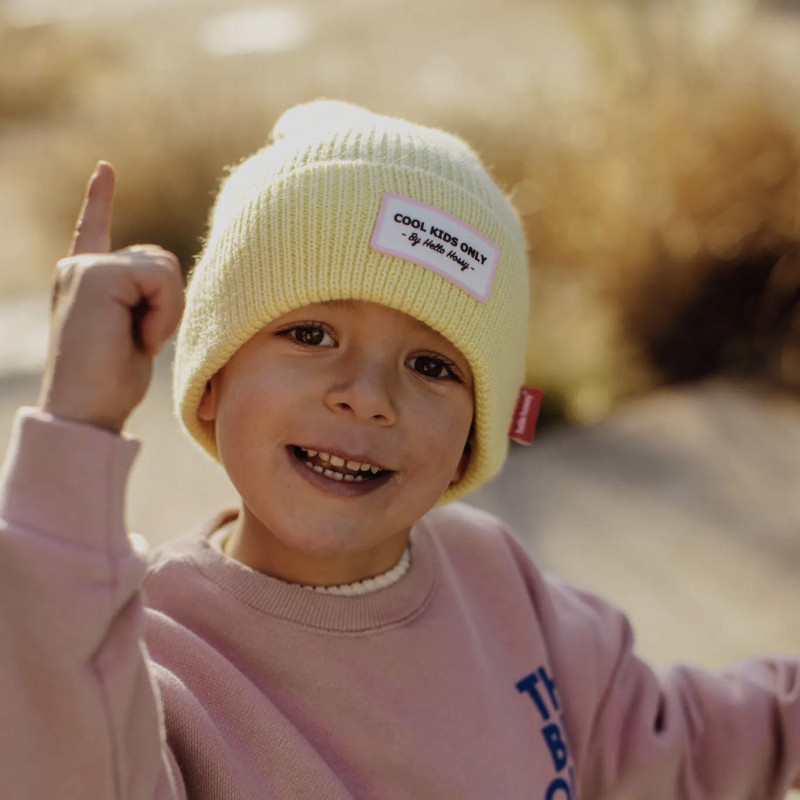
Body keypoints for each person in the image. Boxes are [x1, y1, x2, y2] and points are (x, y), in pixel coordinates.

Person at [0, 100, 798, 800]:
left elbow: (678, 745)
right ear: (212, 378)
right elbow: (55, 750)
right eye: (310, 334)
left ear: (473, 441)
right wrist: (76, 425)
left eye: (432, 366)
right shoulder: (145, 662)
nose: (367, 395)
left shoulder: (502, 591)